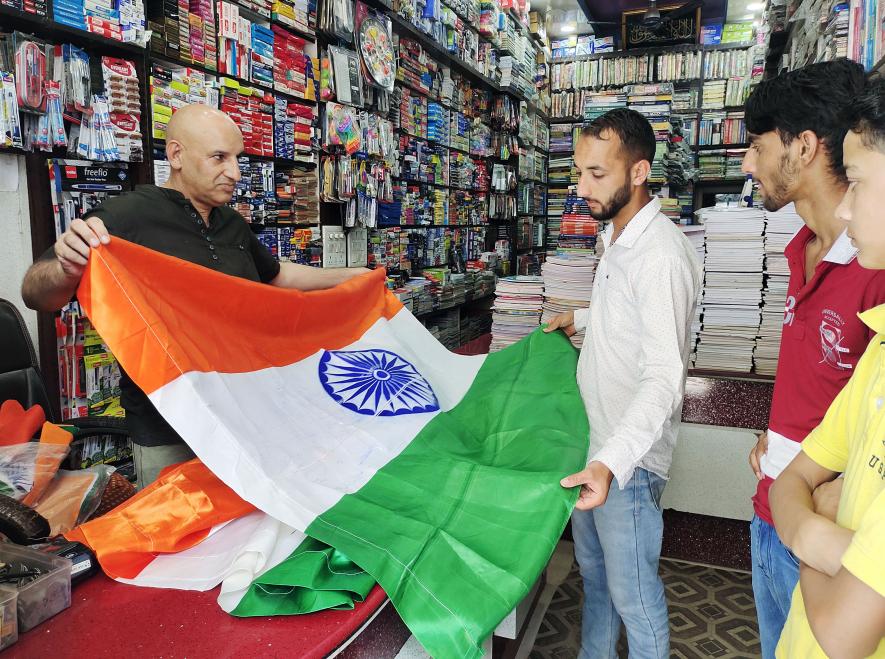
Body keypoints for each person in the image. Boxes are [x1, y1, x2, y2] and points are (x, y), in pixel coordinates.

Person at [21, 104, 368, 489]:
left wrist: (352, 276)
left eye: (237, 158)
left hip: (245, 413)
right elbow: (37, 293)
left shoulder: (232, 223)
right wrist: (67, 266)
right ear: (176, 155)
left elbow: (276, 275)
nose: (235, 173)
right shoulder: (126, 215)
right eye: (219, 157)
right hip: (170, 425)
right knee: (183, 536)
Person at [739, 58, 885, 659]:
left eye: (756, 146)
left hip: (838, 554)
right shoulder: (800, 247)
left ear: (802, 147)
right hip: (773, 509)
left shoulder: (874, 267)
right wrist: (775, 438)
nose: (747, 165)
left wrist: (818, 506)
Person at [544, 108, 701, 659]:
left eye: (597, 174)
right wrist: (581, 320)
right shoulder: (617, 237)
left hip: (625, 465)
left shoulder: (659, 255)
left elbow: (664, 377)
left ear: (638, 173)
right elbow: (629, 319)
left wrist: (612, 462)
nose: (581, 188)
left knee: (634, 596)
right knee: (597, 583)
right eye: (579, 173)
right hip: (596, 452)